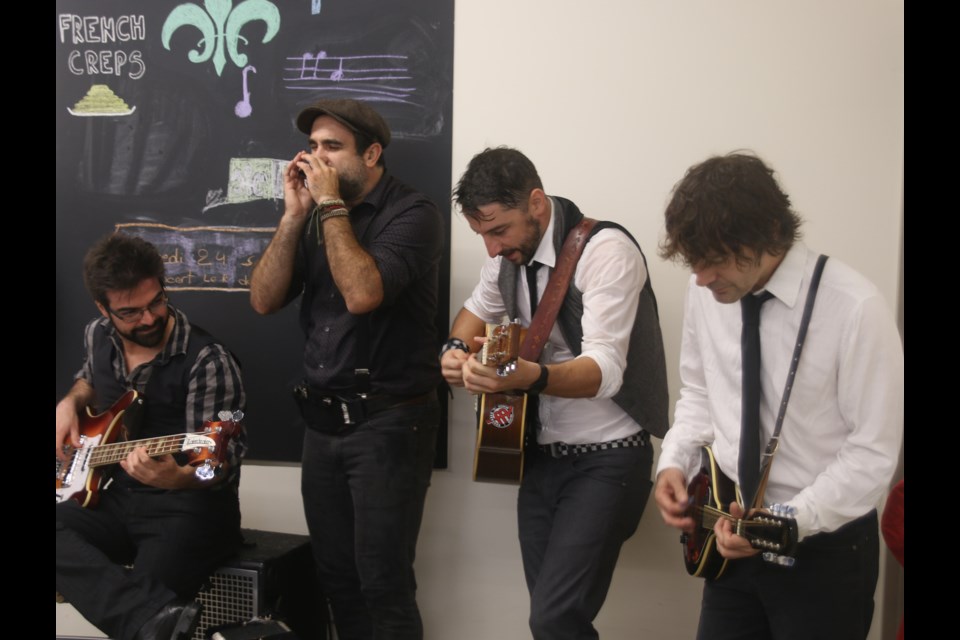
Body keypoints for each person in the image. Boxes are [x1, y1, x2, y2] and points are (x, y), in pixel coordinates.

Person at [653, 152, 904, 640]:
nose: (701, 279)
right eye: (695, 263)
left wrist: (790, 521)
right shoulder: (704, 290)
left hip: (824, 554)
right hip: (729, 536)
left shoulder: (857, 310)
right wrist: (674, 462)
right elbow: (700, 391)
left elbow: (872, 452)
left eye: (716, 260)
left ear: (768, 233)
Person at [442, 147, 669, 639]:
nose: (491, 249)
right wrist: (455, 349)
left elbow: (604, 370)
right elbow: (473, 311)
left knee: (554, 618)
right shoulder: (505, 257)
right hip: (540, 459)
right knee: (548, 622)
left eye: (499, 230)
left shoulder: (607, 251)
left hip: (610, 459)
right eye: (481, 235)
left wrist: (528, 377)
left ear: (537, 204)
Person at [249, 99, 443, 639]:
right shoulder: (310, 214)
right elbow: (263, 301)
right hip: (322, 421)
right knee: (336, 578)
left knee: (383, 583)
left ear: (372, 153)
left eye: (332, 147)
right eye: (313, 147)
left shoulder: (414, 212)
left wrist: (330, 205)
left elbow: (362, 294)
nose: (316, 159)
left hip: (389, 422)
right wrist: (293, 217)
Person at [56, 233, 246, 640]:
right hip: (114, 497)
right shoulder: (97, 335)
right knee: (144, 616)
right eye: (130, 312)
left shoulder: (208, 360)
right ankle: (150, 619)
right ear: (102, 309)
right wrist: (68, 404)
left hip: (186, 508)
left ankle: (147, 620)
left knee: (140, 605)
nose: (149, 318)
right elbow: (89, 378)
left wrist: (178, 478)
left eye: (156, 301)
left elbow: (219, 461)